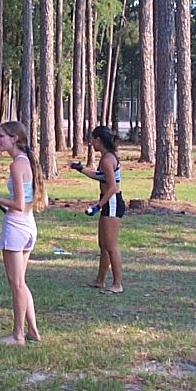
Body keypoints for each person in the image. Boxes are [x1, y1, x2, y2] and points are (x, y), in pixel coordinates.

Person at [0, 121, 47, 346]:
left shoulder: (17, 165)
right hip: (27, 225)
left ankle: (18, 335)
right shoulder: (26, 162)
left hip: (16, 226)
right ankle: (33, 331)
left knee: (16, 284)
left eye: (1, 136)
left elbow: (18, 204)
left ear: (14, 138)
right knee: (20, 283)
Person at [70, 125, 125, 294]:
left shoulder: (107, 160)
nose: (91, 143)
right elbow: (100, 176)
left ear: (99, 140)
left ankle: (117, 284)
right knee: (103, 244)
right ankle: (100, 280)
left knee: (111, 246)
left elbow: (112, 187)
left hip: (112, 202)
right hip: (108, 202)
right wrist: (81, 169)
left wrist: (98, 206)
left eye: (92, 139)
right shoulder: (107, 157)